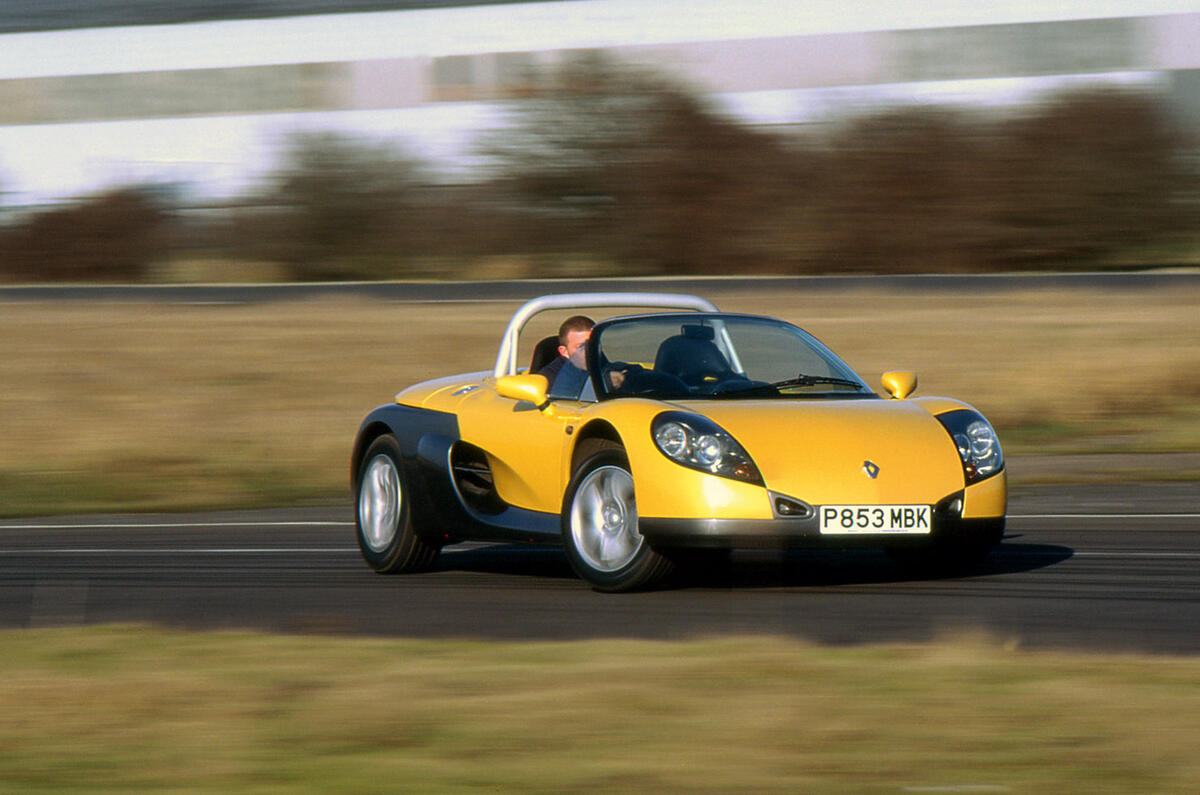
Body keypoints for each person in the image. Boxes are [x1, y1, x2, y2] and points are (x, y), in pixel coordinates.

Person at [539, 315, 593, 398]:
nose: (589, 351)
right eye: (581, 347)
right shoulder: (549, 379)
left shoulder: (609, 369)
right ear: (564, 352)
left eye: (593, 344)